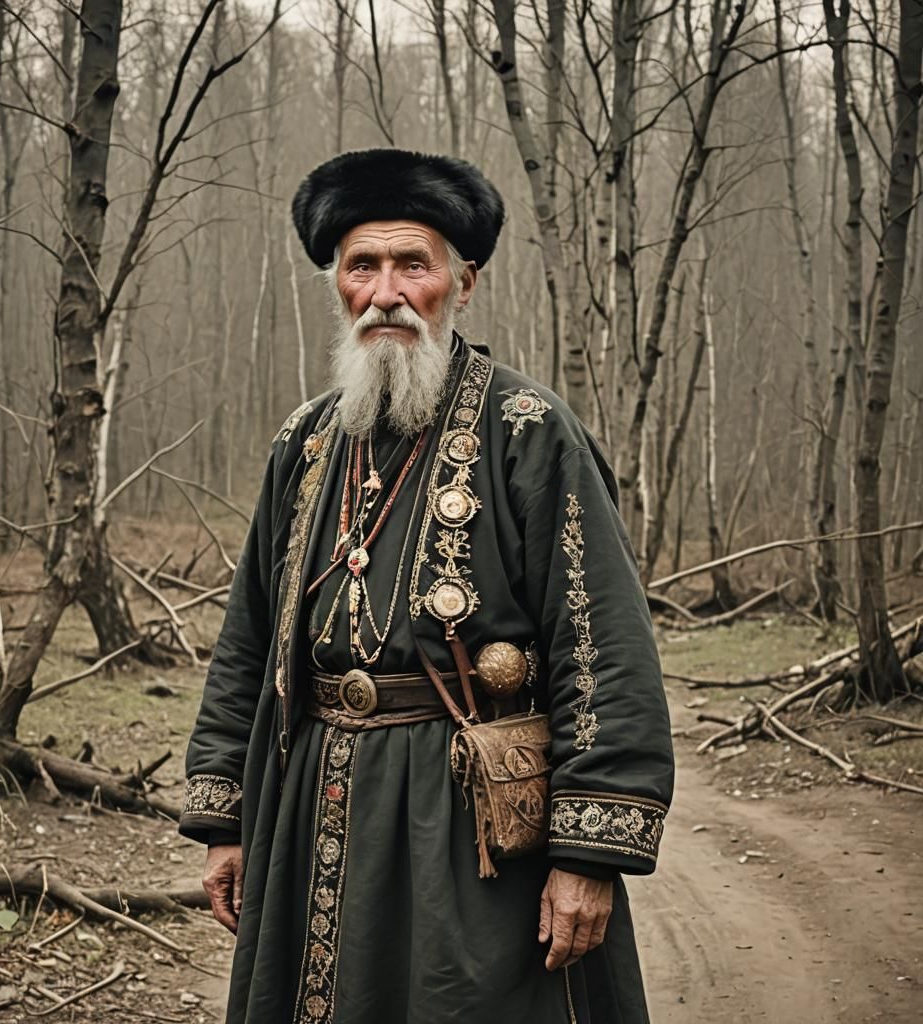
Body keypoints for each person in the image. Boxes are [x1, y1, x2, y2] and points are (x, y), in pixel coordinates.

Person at [180, 149, 674, 1024]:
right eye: (361, 266)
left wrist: (590, 856)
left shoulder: (527, 429)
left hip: (471, 827)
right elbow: (249, 640)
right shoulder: (305, 442)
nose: (386, 290)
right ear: (337, 283)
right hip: (312, 806)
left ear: (463, 282)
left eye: (415, 263)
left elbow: (603, 649)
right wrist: (227, 819)